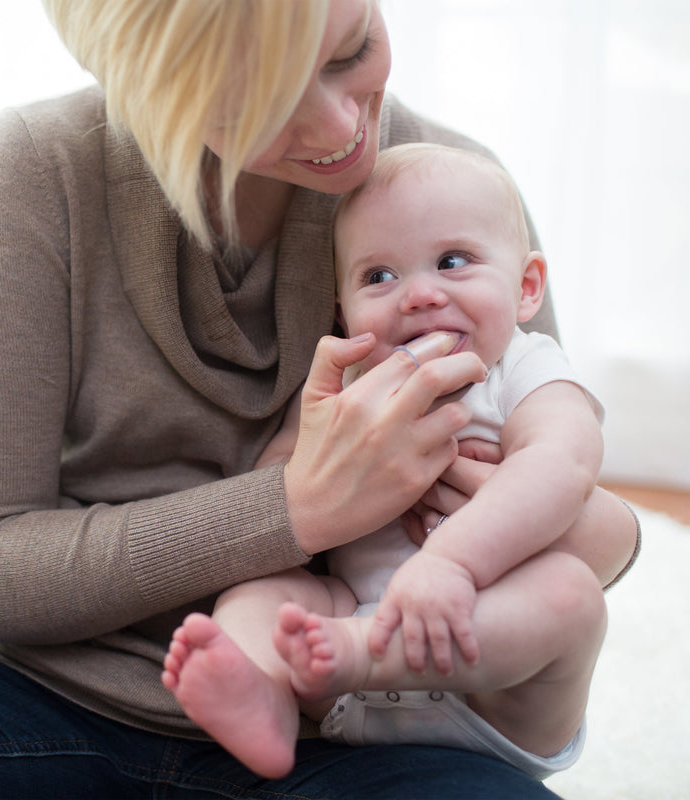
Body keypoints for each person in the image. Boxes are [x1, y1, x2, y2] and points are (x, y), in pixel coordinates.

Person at [0, 2, 639, 798]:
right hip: (54, 702)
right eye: (263, 104)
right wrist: (297, 507)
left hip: (369, 733)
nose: (338, 125)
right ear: (143, 84)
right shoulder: (42, 172)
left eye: (353, 52)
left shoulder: (453, 188)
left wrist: (514, 516)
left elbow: (585, 511)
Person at [160, 142, 615, 780]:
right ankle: (262, 692)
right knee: (263, 590)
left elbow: (563, 463)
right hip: (346, 661)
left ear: (526, 286)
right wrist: (306, 466)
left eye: (453, 262)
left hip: (496, 693)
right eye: (379, 276)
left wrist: (454, 564)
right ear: (344, 311)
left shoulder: (525, 366)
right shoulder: (353, 385)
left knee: (569, 597)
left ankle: (363, 654)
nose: (419, 295)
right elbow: (278, 498)